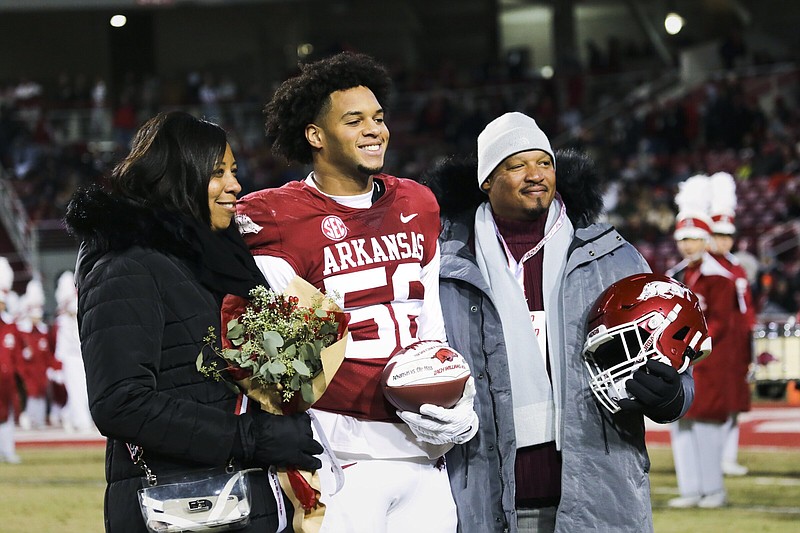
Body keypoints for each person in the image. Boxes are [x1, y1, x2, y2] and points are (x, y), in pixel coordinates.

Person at [236, 52, 478, 533]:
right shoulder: (273, 215)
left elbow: (431, 318)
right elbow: (269, 351)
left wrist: (457, 397)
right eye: (355, 120)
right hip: (339, 450)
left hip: (423, 447)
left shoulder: (416, 201)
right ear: (316, 135)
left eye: (379, 118)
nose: (374, 130)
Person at [421, 111, 695, 533]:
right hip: (484, 496)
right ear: (487, 180)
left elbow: (672, 357)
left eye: (544, 162)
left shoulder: (612, 255)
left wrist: (670, 394)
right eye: (516, 165)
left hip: (599, 493)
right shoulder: (444, 265)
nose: (535, 175)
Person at [64, 110, 324, 533]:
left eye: (234, 171)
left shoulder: (213, 258)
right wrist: (250, 438)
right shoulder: (126, 265)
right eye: (217, 172)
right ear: (177, 176)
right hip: (178, 506)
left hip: (242, 499)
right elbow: (120, 402)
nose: (235, 186)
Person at [666, 174, 738, 508]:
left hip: (705, 363)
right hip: (681, 362)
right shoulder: (678, 274)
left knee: (707, 429)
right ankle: (691, 489)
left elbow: (722, 323)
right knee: (680, 427)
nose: (688, 246)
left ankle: (714, 490)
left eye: (694, 239)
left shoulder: (718, 276)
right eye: (684, 239)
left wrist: (693, 345)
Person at [708, 171, 755, 477]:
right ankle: (715, 458)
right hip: (717, 343)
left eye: (727, 235)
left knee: (735, 401)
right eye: (718, 235)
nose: (724, 240)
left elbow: (746, 308)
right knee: (715, 403)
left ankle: (729, 455)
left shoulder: (737, 266)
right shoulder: (707, 268)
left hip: (737, 343)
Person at [53, 270, 94, 433]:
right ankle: (81, 421)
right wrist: (57, 367)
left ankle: (68, 415)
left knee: (84, 390)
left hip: (81, 356)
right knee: (75, 390)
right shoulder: (62, 322)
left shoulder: (80, 318)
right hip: (70, 359)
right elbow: (60, 346)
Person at [0, 256, 22, 464]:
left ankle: (7, 450)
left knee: (7, 415)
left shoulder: (10, 326)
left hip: (6, 381)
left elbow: (15, 353)